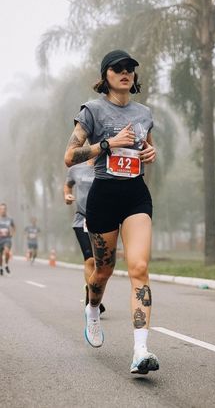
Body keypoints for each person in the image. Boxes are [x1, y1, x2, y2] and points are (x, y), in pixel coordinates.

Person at [64, 49, 159, 375]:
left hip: (135, 194)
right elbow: (70, 156)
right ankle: (92, 308)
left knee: (140, 267)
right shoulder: (91, 110)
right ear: (105, 75)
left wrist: (149, 152)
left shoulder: (145, 112)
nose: (125, 73)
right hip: (103, 195)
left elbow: (145, 146)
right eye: (117, 68)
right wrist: (108, 143)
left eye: (130, 68)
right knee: (103, 270)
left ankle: (140, 351)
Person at [63, 159, 105, 314]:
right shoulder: (75, 169)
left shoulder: (107, 166)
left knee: (101, 264)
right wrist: (67, 195)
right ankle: (91, 297)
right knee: (90, 259)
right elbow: (68, 185)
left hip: (103, 220)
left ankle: (93, 290)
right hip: (82, 220)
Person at [0, 203, 15, 275]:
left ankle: (6, 264)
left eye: (4, 209)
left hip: (7, 239)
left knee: (6, 251)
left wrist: (12, 233)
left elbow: (13, 227)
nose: (3, 210)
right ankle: (0, 268)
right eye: (2, 209)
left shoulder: (10, 219)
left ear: (6, 210)